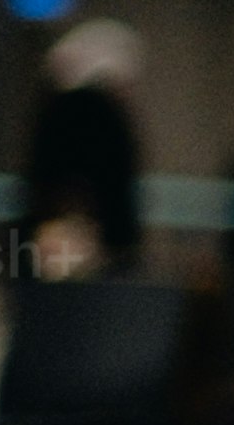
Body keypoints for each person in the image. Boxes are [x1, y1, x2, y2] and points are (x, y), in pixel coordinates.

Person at [16, 21, 146, 278]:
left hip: (65, 235)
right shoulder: (94, 115)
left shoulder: (58, 112)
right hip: (84, 238)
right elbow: (112, 186)